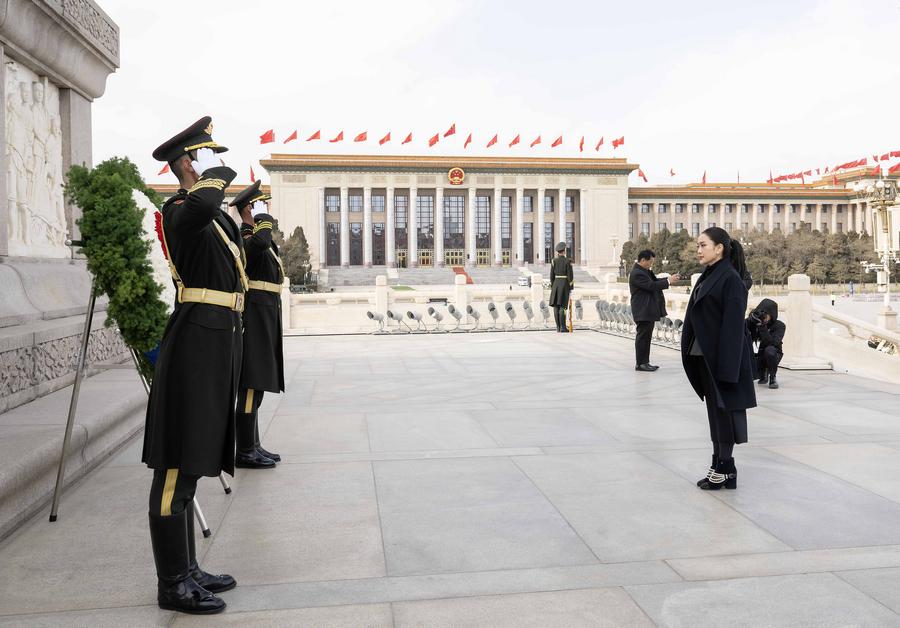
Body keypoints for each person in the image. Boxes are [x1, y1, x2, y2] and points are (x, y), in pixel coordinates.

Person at [144, 117, 245, 614]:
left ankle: (187, 568)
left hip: (217, 337)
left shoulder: (213, 217)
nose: (213, 169)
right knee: (175, 464)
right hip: (195, 340)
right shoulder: (179, 208)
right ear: (187, 162)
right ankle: (172, 583)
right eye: (203, 159)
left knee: (195, 455)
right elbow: (205, 200)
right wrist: (218, 172)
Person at [681, 227, 756, 491]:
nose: (698, 250)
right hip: (704, 357)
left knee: (724, 416)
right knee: (715, 415)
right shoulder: (710, 274)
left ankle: (725, 468)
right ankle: (720, 465)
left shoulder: (730, 279)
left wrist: (728, 368)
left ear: (719, 248)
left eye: (703, 245)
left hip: (722, 361)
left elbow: (733, 327)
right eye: (698, 246)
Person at [229, 181, 285, 468]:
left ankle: (254, 445)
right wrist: (261, 219)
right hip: (254, 314)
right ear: (249, 208)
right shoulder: (246, 237)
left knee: (258, 385)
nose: (267, 211)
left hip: (265, 312)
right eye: (261, 205)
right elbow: (261, 244)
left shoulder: (256, 236)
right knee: (251, 385)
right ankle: (245, 452)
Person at [629, 249, 679, 371]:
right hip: (643, 310)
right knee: (643, 337)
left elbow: (655, 282)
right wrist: (668, 281)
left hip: (648, 310)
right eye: (650, 262)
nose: (651, 264)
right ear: (643, 260)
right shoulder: (637, 273)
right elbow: (651, 286)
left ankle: (645, 362)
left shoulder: (645, 271)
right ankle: (640, 364)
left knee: (646, 337)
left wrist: (669, 280)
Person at [747, 298, 785, 389]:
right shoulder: (755, 323)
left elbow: (772, 343)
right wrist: (749, 321)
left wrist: (762, 327)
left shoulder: (779, 325)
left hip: (773, 354)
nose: (762, 317)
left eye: (765, 315)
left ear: (771, 315)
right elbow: (742, 336)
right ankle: (762, 372)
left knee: (769, 350)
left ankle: (772, 377)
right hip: (759, 355)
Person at [549, 241, 573, 332]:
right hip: (564, 285)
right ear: (564, 251)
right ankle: (563, 327)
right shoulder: (568, 261)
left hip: (555, 284)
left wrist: (553, 286)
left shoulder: (553, 261)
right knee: (562, 306)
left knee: (556, 306)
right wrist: (571, 287)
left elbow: (551, 276)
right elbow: (570, 276)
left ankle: (558, 327)